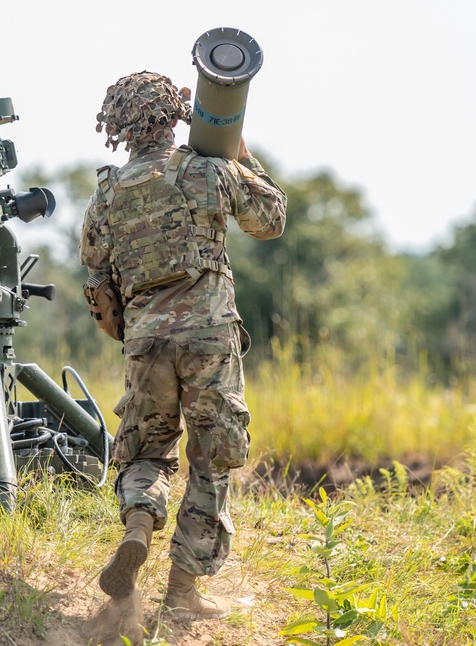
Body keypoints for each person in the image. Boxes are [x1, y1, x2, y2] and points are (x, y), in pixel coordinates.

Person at [80, 71, 287, 619]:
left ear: (120, 128)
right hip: (208, 339)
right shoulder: (208, 171)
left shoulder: (106, 193)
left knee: (147, 451)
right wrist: (242, 155)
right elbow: (271, 219)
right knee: (211, 459)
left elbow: (97, 278)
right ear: (176, 115)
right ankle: (182, 594)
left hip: (145, 342)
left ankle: (139, 526)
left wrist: (133, 330)